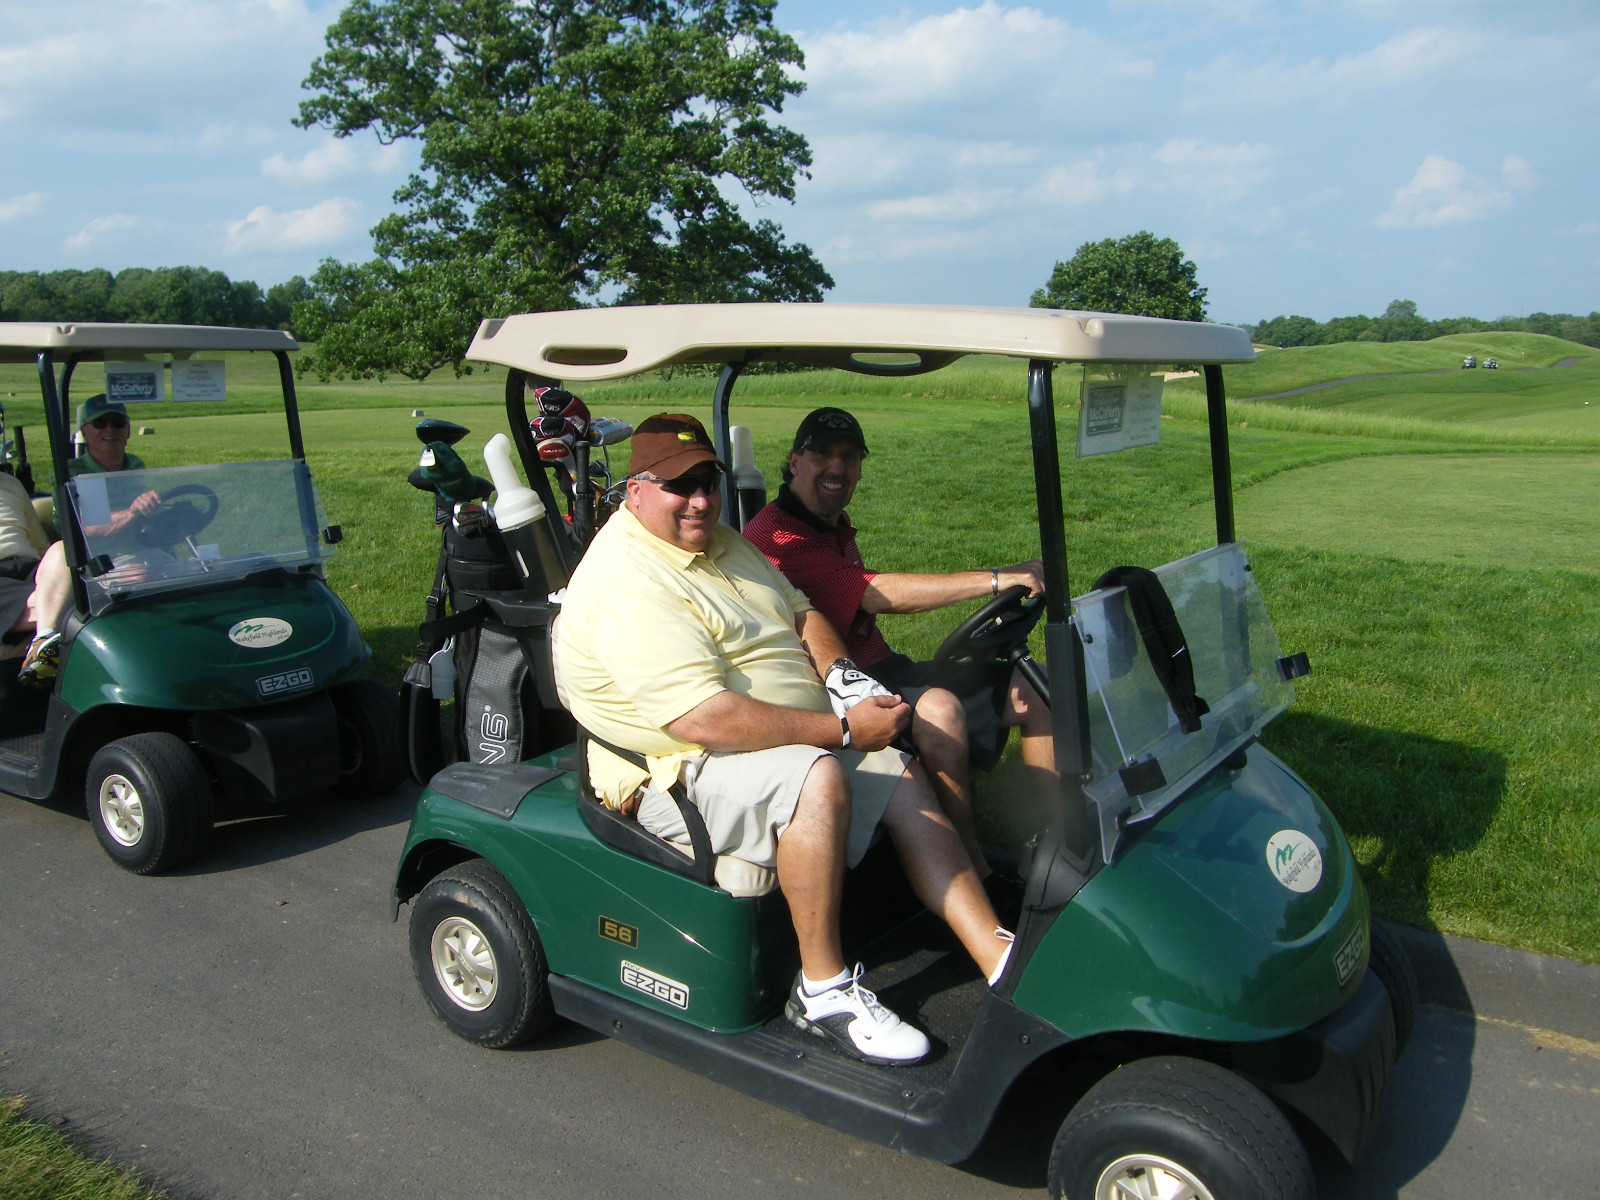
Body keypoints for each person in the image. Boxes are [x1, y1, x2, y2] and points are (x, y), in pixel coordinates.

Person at [555, 413, 1012, 1067]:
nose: (700, 500)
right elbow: (702, 719)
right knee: (817, 779)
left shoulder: (720, 542)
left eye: (707, 482)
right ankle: (822, 991)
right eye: (680, 487)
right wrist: (844, 730)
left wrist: (842, 677)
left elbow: (801, 611)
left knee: (900, 774)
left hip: (761, 737)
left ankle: (1000, 956)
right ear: (636, 490)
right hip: (676, 766)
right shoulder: (630, 581)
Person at [742, 408, 1056, 889]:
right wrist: (995, 579)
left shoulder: (826, 522)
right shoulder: (779, 537)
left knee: (1032, 686)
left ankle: (1058, 839)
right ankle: (973, 869)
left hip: (882, 667)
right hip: (838, 689)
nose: (837, 467)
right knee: (940, 709)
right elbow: (875, 593)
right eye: (822, 454)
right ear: (794, 461)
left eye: (850, 457)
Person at [17, 395, 160, 686]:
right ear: (85, 431)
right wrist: (134, 512)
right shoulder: (76, 472)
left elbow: (147, 518)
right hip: (94, 558)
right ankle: (44, 647)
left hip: (138, 549)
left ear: (128, 430)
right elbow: (92, 528)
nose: (110, 429)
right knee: (139, 572)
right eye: (100, 423)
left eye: (117, 423)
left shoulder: (135, 465)